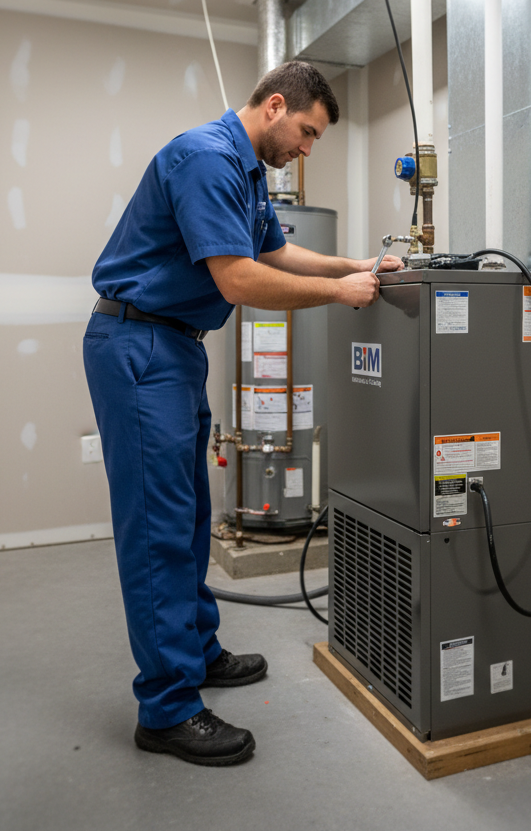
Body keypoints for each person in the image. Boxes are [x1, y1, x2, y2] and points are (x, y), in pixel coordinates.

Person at [83, 60, 402, 767]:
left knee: (192, 514)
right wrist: (340, 295)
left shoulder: (248, 170)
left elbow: (276, 251)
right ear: (276, 105)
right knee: (159, 529)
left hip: (174, 347)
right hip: (139, 346)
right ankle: (166, 708)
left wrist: (357, 266)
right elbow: (238, 279)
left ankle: (197, 651)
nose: (307, 149)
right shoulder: (206, 157)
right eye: (308, 133)